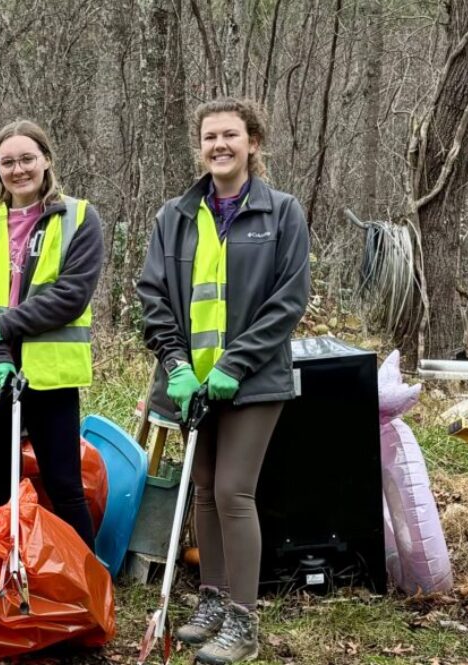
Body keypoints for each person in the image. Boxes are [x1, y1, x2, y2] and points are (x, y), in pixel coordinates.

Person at [137, 98, 309, 664]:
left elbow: (288, 301)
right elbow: (153, 296)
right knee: (204, 493)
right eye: (210, 137)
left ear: (253, 143)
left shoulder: (282, 213)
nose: (219, 146)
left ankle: (244, 620)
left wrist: (235, 364)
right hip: (192, 383)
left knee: (234, 492)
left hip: (254, 381)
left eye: (230, 135)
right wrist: (178, 366)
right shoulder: (176, 215)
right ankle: (210, 601)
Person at [0, 119, 104, 554]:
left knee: (63, 484)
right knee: (1, 484)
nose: (18, 170)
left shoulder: (78, 218)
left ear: (46, 160)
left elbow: (71, 295)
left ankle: (83, 587)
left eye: (27, 159)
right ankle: (9, 578)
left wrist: (5, 325)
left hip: (50, 377)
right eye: (7, 162)